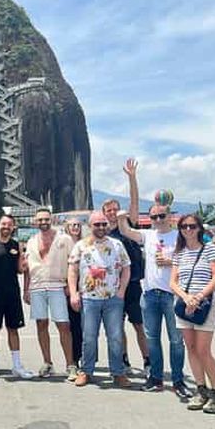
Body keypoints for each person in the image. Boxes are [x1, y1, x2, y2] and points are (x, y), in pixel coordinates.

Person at [118, 205, 191, 397]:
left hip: (173, 294)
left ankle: (178, 380)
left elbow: (192, 262)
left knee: (176, 340)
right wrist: (120, 216)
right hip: (150, 293)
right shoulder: (148, 235)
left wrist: (171, 262)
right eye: (153, 217)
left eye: (161, 216)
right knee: (152, 339)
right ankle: (156, 378)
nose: (158, 220)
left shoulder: (180, 237)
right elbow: (126, 230)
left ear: (170, 217)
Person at [68, 211, 131, 388]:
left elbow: (126, 268)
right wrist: (73, 293)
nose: (101, 227)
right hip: (89, 298)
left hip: (113, 298)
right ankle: (86, 371)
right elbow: (72, 271)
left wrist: (122, 291)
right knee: (88, 337)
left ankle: (118, 373)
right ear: (90, 226)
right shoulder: (81, 246)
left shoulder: (117, 245)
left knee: (116, 337)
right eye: (97, 224)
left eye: (104, 224)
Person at [170, 214, 215, 413]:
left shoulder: (209, 248)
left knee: (204, 350)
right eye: (184, 227)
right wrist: (186, 298)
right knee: (191, 348)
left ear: (199, 228)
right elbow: (173, 281)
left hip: (205, 303)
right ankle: (201, 389)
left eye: (192, 226)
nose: (188, 230)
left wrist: (198, 296)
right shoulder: (179, 252)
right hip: (184, 303)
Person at [104, 159, 150, 375]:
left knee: (139, 325)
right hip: (113, 286)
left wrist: (132, 178)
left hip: (133, 284)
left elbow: (134, 202)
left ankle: (148, 360)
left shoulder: (128, 224)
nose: (113, 213)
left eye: (115, 209)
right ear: (104, 214)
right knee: (118, 327)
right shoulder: (104, 234)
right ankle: (124, 360)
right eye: (109, 210)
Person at [24, 208, 77, 380]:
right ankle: (47, 362)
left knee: (63, 325)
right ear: (35, 221)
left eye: (46, 219)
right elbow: (26, 268)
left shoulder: (65, 239)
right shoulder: (31, 241)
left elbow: (73, 265)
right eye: (40, 220)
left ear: (52, 219)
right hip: (37, 287)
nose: (43, 222)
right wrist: (25, 289)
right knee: (41, 324)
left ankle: (70, 365)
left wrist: (71, 287)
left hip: (57, 285)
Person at [0, 214, 34, 381]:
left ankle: (17, 366)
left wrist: (24, 264)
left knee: (13, 329)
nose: (6, 227)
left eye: (9, 225)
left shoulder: (16, 245)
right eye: (3, 223)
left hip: (12, 294)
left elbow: (19, 269)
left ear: (13, 227)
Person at [64, 218, 84, 367]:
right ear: (67, 228)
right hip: (69, 287)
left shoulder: (86, 243)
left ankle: (87, 357)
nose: (75, 227)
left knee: (88, 325)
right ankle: (75, 358)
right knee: (74, 325)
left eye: (78, 225)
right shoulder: (62, 244)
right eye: (72, 225)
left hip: (86, 287)